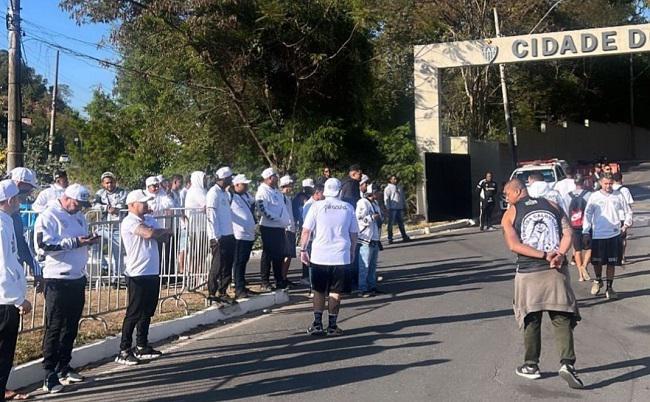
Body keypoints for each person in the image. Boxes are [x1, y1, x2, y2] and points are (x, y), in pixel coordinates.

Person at [501, 179, 583, 389]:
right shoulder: (552, 205)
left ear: (518, 191)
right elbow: (568, 233)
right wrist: (559, 254)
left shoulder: (511, 213)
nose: (506, 198)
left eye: (507, 194)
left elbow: (513, 244)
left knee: (531, 317)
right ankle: (567, 364)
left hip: (529, 273)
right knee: (561, 316)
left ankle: (531, 366)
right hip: (556, 270)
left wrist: (543, 254)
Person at [34, 184, 99, 394]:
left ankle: (64, 366)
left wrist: (89, 240)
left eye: (82, 205)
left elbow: (80, 238)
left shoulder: (79, 216)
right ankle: (48, 373)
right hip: (57, 278)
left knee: (71, 326)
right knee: (54, 326)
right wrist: (74, 242)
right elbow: (43, 245)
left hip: (77, 276)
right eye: (77, 203)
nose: (79, 208)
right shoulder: (49, 215)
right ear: (66, 198)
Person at [115, 190, 172, 366]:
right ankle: (124, 349)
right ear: (132, 205)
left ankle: (142, 344)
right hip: (137, 272)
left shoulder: (149, 220)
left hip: (152, 270)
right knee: (134, 312)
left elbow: (166, 233)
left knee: (147, 311)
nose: (147, 205)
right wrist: (155, 232)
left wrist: (156, 231)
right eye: (143, 203)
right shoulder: (129, 221)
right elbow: (148, 234)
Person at [300, 178, 358, 336]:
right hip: (341, 256)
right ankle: (332, 326)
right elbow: (354, 234)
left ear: (325, 191)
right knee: (335, 292)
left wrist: (303, 250)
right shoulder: (348, 207)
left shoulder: (316, 206)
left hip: (319, 255)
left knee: (318, 290)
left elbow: (306, 231)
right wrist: (352, 252)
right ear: (340, 191)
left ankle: (317, 324)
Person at [0, 180, 32, 401]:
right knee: (3, 350)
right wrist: (17, 299)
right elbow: (3, 265)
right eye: (18, 199)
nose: (20, 202)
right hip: (4, 300)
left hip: (7, 297)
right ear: (10, 200)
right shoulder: (2, 225)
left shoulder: (6, 221)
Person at [582, 173, 632, 300]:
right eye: (606, 183)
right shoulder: (594, 196)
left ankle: (609, 288)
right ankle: (598, 280)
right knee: (597, 262)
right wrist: (586, 231)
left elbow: (628, 211)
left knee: (611, 262)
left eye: (610, 183)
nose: (608, 186)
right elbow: (587, 215)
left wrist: (625, 225)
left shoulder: (618, 195)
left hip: (614, 234)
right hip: (598, 234)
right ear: (600, 183)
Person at [256, 168, 291, 291]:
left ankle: (279, 280)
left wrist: (283, 221)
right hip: (269, 227)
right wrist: (277, 219)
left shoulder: (275, 191)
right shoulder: (262, 191)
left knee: (279, 255)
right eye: (275, 176)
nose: (277, 178)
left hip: (279, 227)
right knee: (268, 255)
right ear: (270, 178)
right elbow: (262, 209)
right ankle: (264, 282)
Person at [206, 167, 236, 304]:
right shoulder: (213, 193)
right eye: (230, 178)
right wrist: (215, 235)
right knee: (217, 265)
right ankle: (212, 292)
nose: (231, 180)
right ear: (224, 178)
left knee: (227, 264)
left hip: (228, 233)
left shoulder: (224, 193)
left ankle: (223, 291)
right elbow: (211, 215)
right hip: (218, 236)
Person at [92, 172, 127, 285]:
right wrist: (106, 207)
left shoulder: (122, 192)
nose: (109, 185)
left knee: (117, 253)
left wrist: (116, 209)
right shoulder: (99, 193)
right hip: (103, 226)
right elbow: (94, 205)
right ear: (103, 183)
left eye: (111, 182)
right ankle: (104, 266)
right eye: (107, 183)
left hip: (117, 227)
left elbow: (123, 206)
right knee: (93, 245)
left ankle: (117, 278)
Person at [230, 174, 257, 299]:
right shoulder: (231, 197)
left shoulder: (244, 197)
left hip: (248, 234)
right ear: (236, 185)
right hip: (239, 234)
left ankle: (242, 285)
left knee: (244, 261)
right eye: (244, 184)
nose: (246, 187)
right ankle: (238, 288)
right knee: (239, 262)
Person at [356, 183, 382, 297]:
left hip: (375, 237)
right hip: (365, 238)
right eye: (377, 191)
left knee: (372, 266)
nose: (379, 193)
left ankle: (372, 286)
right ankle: (362, 288)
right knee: (364, 266)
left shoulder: (375, 203)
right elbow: (359, 218)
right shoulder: (362, 202)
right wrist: (371, 218)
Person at [566, 174, 591, 281]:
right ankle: (584, 266)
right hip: (586, 225)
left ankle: (580, 275)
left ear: (574, 183)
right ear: (583, 182)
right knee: (589, 248)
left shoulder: (568, 196)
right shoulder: (589, 194)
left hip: (573, 225)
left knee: (577, 250)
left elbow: (565, 210)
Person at [300, 184, 324, 288]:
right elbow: (307, 226)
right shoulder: (309, 205)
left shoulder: (319, 204)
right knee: (312, 265)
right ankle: (313, 287)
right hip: (311, 239)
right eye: (323, 193)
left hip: (319, 238)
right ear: (317, 193)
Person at [612, 172, 634, 264]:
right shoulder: (625, 190)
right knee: (623, 238)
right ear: (621, 179)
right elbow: (629, 204)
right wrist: (630, 218)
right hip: (623, 216)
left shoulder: (609, 188)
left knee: (612, 237)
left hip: (612, 217)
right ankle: (622, 256)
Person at [279, 175, 297, 286]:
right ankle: (281, 278)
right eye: (290, 185)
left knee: (289, 255)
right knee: (286, 255)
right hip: (286, 228)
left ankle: (284, 277)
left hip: (291, 228)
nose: (292, 188)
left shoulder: (288, 198)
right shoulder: (281, 197)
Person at [384, 175, 410, 244]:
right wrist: (388, 208)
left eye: (396, 179)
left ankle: (404, 236)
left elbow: (402, 197)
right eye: (394, 179)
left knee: (401, 223)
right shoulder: (388, 188)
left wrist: (404, 205)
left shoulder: (399, 187)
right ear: (390, 180)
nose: (395, 180)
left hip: (399, 207)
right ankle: (390, 238)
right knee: (391, 224)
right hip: (392, 208)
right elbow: (386, 199)